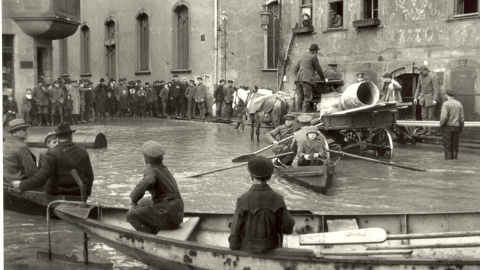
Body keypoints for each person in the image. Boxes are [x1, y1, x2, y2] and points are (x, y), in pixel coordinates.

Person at [229, 156, 295, 253]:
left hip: (248, 248)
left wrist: (234, 247)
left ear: (251, 176)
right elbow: (288, 227)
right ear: (270, 176)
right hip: (272, 247)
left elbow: (235, 232)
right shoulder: (278, 198)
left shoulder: (243, 199)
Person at [12, 123, 94, 196]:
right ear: (71, 136)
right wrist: (87, 193)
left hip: (59, 192)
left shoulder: (53, 153)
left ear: (58, 137)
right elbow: (90, 176)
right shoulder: (83, 151)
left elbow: (40, 178)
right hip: (79, 192)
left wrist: (21, 185)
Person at [126, 140, 184, 234]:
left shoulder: (151, 171)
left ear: (145, 161)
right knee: (142, 202)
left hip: (168, 217)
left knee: (130, 215)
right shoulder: (163, 169)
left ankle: (151, 235)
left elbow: (148, 181)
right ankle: (154, 223)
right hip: (178, 215)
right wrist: (136, 199)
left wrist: (132, 199)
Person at [3, 119, 37, 187]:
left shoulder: (3, 144)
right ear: (15, 132)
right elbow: (31, 171)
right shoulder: (22, 147)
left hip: (5, 182)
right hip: (18, 183)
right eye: (24, 130)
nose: (27, 131)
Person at [293, 44, 325, 113]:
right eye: (317, 51)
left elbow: (295, 69)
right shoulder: (313, 56)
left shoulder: (302, 57)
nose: (317, 52)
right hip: (306, 80)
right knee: (307, 98)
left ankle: (298, 114)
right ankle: (303, 115)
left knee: (300, 98)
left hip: (298, 80)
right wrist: (323, 79)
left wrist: (299, 76)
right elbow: (318, 69)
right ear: (315, 51)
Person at [414, 65, 440, 136]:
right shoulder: (420, 77)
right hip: (423, 99)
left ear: (426, 70)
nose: (420, 73)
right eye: (420, 72)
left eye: (422, 72)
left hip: (431, 99)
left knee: (430, 116)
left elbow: (436, 89)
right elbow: (418, 88)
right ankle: (424, 129)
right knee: (424, 115)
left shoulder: (433, 76)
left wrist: (435, 99)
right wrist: (415, 97)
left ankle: (430, 130)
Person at [440, 89, 465, 160]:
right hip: (457, 127)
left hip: (447, 127)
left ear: (446, 95)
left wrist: (441, 125)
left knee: (447, 145)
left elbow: (444, 117)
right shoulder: (459, 104)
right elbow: (462, 118)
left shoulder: (445, 104)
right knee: (455, 145)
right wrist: (462, 127)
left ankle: (449, 162)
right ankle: (454, 161)